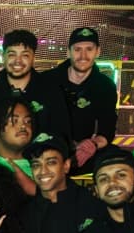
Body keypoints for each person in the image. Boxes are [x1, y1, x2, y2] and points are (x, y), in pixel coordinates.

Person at [0, 28, 72, 149]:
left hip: (37, 165)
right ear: (3, 56)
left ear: (33, 58)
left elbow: (63, 137)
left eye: (25, 55)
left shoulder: (51, 92)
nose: (18, 61)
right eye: (12, 54)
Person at [46, 27, 118, 172]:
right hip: (48, 147)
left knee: (115, 158)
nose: (83, 56)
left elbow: (107, 130)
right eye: (77, 49)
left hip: (84, 153)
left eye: (89, 49)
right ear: (68, 52)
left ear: (98, 51)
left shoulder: (105, 86)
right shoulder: (47, 80)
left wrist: (91, 145)